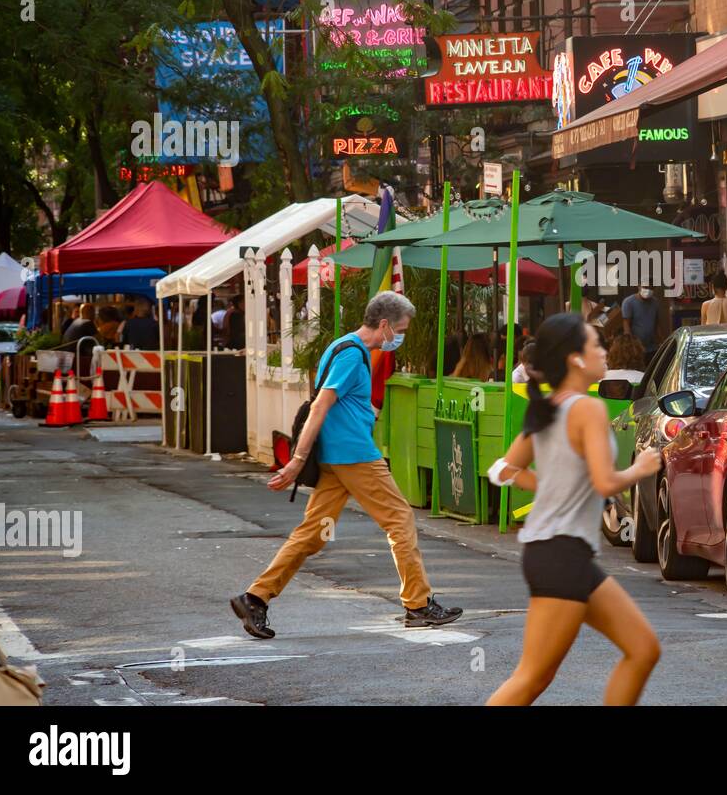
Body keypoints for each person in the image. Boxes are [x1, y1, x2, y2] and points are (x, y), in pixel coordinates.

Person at [231, 291, 462, 637]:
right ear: (384, 325)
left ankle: (256, 597)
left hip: (336, 459)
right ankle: (418, 604)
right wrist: (297, 460)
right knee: (399, 520)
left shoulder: (342, 346)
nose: (400, 337)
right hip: (356, 456)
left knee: (313, 534)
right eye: (399, 329)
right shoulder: (353, 356)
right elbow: (321, 405)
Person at [485, 313, 661, 705]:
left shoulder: (548, 407)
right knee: (531, 678)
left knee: (643, 649)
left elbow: (501, 470)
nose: (604, 352)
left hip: (562, 555)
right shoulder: (587, 409)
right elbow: (604, 482)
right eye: (596, 345)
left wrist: (550, 485)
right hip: (561, 555)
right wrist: (641, 467)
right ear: (576, 359)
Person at [620, 286, 660, 360]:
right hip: (636, 349)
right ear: (639, 286)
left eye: (651, 288)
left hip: (652, 348)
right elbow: (626, 327)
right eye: (645, 287)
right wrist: (630, 347)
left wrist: (661, 342)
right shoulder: (629, 302)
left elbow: (657, 324)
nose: (648, 290)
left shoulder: (655, 302)